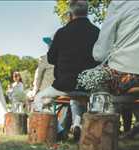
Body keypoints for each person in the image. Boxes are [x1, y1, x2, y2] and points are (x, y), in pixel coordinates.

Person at [33, 0, 100, 141]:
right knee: (78, 101)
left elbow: (51, 59)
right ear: (87, 12)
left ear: (71, 13)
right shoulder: (97, 32)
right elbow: (101, 58)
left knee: (38, 99)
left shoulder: (62, 32)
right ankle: (83, 129)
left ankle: (60, 131)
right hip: (90, 84)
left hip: (65, 84)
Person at [92, 0, 139, 138]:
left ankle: (103, 135)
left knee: (94, 80)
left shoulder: (118, 4)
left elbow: (99, 54)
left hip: (127, 74)